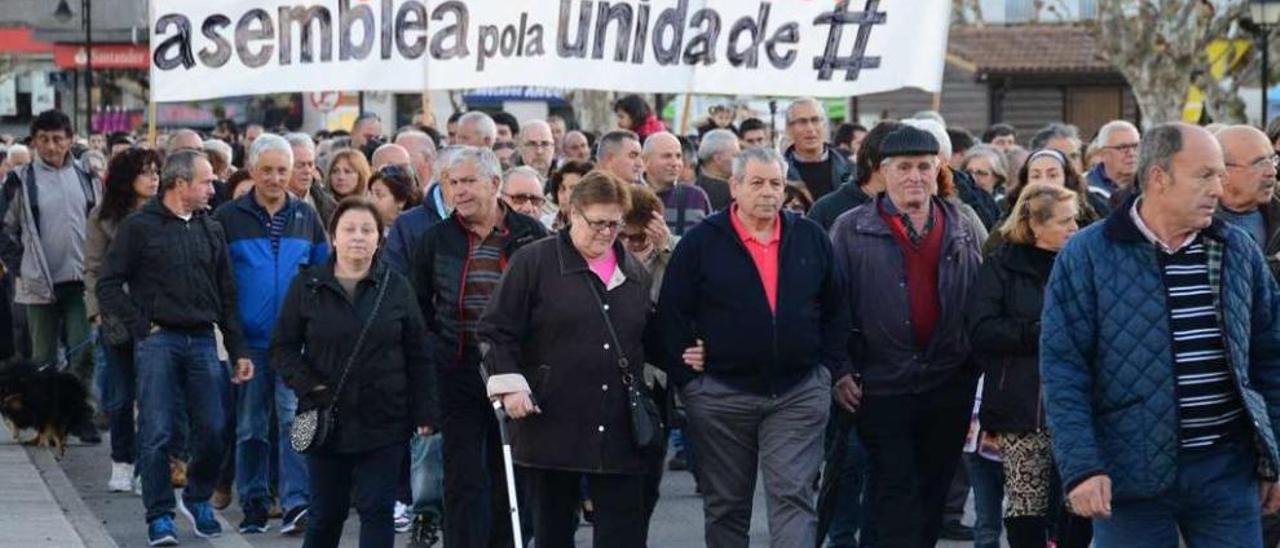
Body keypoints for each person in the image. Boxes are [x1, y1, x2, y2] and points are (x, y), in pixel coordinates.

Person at [1042, 122, 1280, 547]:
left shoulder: (1236, 250)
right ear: (1158, 178)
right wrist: (1082, 466)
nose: (1219, 187)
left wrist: (1274, 458)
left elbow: (1271, 357)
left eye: (1221, 174)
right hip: (1129, 474)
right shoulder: (1089, 255)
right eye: (1205, 174)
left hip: (1227, 471)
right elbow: (1064, 370)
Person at [654, 147, 855, 548]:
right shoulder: (701, 242)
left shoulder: (809, 237)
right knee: (726, 505)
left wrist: (826, 372)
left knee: (794, 499)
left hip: (798, 392)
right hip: (720, 395)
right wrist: (689, 378)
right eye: (758, 182)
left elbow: (837, 310)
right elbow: (671, 315)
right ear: (735, 186)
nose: (768, 192)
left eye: (776, 183)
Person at [830, 125, 982, 547]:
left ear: (938, 169)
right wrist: (841, 370)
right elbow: (831, 307)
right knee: (895, 489)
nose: (914, 176)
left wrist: (975, 363)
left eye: (923, 166)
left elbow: (985, 293)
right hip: (879, 385)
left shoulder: (963, 222)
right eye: (904, 167)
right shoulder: (850, 228)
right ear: (883, 171)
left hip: (948, 382)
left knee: (933, 492)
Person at [482, 169, 652, 548]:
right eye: (598, 223)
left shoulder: (634, 273)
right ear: (572, 212)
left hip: (617, 424)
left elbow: (648, 339)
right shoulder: (534, 262)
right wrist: (510, 386)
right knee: (553, 530)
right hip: (550, 419)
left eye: (614, 224)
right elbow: (496, 330)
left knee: (621, 534)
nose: (607, 233)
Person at [97, 150, 254, 546]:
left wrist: (239, 351)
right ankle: (160, 515)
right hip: (159, 342)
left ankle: (197, 497)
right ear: (180, 184)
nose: (213, 186)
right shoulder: (139, 227)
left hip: (203, 339)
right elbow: (108, 284)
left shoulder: (211, 228)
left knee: (215, 428)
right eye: (205, 181)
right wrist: (140, 326)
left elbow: (228, 294)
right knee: (157, 432)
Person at [273, 198, 437, 548]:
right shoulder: (309, 285)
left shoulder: (396, 287)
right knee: (326, 512)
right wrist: (309, 385)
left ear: (380, 239)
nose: (358, 237)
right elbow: (283, 348)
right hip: (325, 418)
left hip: (385, 419)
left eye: (368, 230)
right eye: (349, 229)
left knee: (377, 510)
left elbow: (419, 354)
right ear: (333, 237)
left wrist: (425, 412)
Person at [410, 146, 547, 548]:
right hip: (457, 369)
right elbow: (418, 306)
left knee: (512, 473)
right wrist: (434, 352)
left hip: (516, 370)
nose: (459, 191)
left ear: (494, 183)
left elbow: (548, 300)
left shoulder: (530, 234)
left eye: (468, 181)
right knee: (463, 476)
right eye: (451, 183)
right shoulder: (434, 240)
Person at [214, 134, 330, 535]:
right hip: (249, 344)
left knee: (293, 421)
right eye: (268, 170)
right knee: (250, 427)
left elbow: (322, 274)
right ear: (251, 170)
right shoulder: (228, 218)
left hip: (294, 344)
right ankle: (254, 503)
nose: (277, 178)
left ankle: (297, 502)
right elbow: (221, 283)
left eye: (284, 169)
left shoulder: (307, 216)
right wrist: (234, 340)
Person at [967, 182, 1093, 548]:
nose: (1075, 229)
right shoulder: (1001, 265)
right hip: (1022, 404)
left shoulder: (1083, 263)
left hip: (1079, 400)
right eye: (1065, 221)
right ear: (1035, 225)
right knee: (1027, 504)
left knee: (1079, 497)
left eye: (1077, 220)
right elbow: (981, 328)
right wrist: (1042, 332)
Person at [0, 110, 102, 443]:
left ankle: (77, 414)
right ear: (34, 142)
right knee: (42, 359)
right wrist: (20, 265)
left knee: (81, 350)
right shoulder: (21, 179)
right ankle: (41, 419)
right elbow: (5, 228)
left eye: (58, 139)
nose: (51, 146)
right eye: (43, 139)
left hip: (81, 281)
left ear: (70, 139)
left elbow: (102, 223)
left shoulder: (87, 177)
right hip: (39, 282)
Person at [85, 148, 160, 492]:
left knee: (152, 396)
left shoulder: (166, 213)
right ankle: (121, 462)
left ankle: (148, 466)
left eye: (156, 170)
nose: (154, 177)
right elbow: (93, 268)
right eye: (146, 171)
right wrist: (96, 312)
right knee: (119, 395)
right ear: (127, 177)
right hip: (115, 315)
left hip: (156, 315)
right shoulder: (102, 216)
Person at [808, 121, 901, 231]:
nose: (913, 175)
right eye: (902, 165)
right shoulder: (827, 210)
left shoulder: (918, 208)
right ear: (871, 160)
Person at [644, 132, 712, 236]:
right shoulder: (629, 196)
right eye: (666, 156)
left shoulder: (696, 197)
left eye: (678, 156)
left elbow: (708, 241)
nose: (674, 163)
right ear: (645, 160)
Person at [782, 98, 851, 200]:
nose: (810, 128)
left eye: (815, 120)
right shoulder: (780, 172)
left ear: (824, 125)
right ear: (789, 128)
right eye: (802, 122)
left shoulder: (849, 166)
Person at [1085, 120, 1141, 214]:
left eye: (1136, 146)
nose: (1131, 153)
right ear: (1103, 154)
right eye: (1122, 147)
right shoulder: (1085, 189)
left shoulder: (1153, 185)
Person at [285, 133, 338, 226]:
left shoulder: (329, 206)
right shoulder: (267, 205)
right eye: (299, 165)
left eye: (310, 164)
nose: (307, 171)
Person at [696, 129, 739, 211]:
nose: (739, 160)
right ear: (718, 158)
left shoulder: (692, 183)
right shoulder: (730, 192)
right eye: (735, 155)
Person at [544, 160, 593, 231]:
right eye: (562, 189)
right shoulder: (545, 224)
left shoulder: (601, 226)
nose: (567, 196)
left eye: (574, 189)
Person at [394, 130, 438, 196]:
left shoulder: (443, 192)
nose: (395, 162)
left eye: (403, 156)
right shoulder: (395, 192)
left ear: (427, 159)